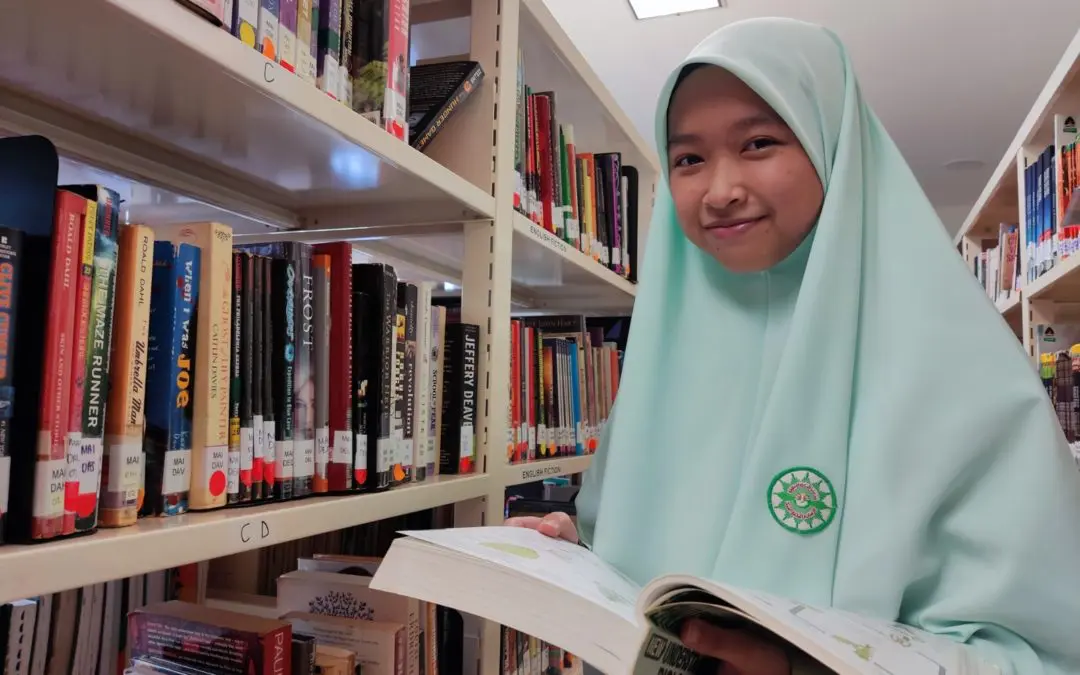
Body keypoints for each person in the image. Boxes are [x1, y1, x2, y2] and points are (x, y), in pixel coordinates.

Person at [506, 16, 1080, 675]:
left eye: (758, 143)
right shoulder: (662, 366)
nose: (721, 190)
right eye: (689, 159)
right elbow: (641, 550)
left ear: (831, 146)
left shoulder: (969, 380)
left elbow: (1046, 652)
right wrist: (578, 553)